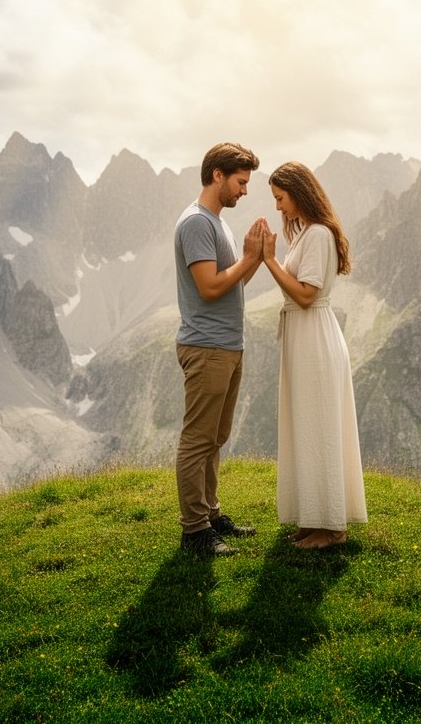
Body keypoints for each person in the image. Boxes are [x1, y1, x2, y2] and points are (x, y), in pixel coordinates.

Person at [261, 161, 367, 550]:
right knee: (309, 425)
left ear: (298, 193)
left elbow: (305, 294)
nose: (277, 207)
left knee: (319, 427)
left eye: (280, 198)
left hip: (314, 337)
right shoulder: (308, 233)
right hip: (306, 338)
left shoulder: (319, 233)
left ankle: (330, 528)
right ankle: (316, 518)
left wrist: (269, 260)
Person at [174, 141, 267, 556]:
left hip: (227, 347)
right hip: (207, 348)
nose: (245, 191)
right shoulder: (197, 223)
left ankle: (211, 514)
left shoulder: (218, 223)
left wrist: (257, 260)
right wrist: (250, 258)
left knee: (216, 437)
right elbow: (209, 288)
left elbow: (230, 283)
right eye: (241, 182)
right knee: (198, 440)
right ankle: (194, 530)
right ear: (217, 175)